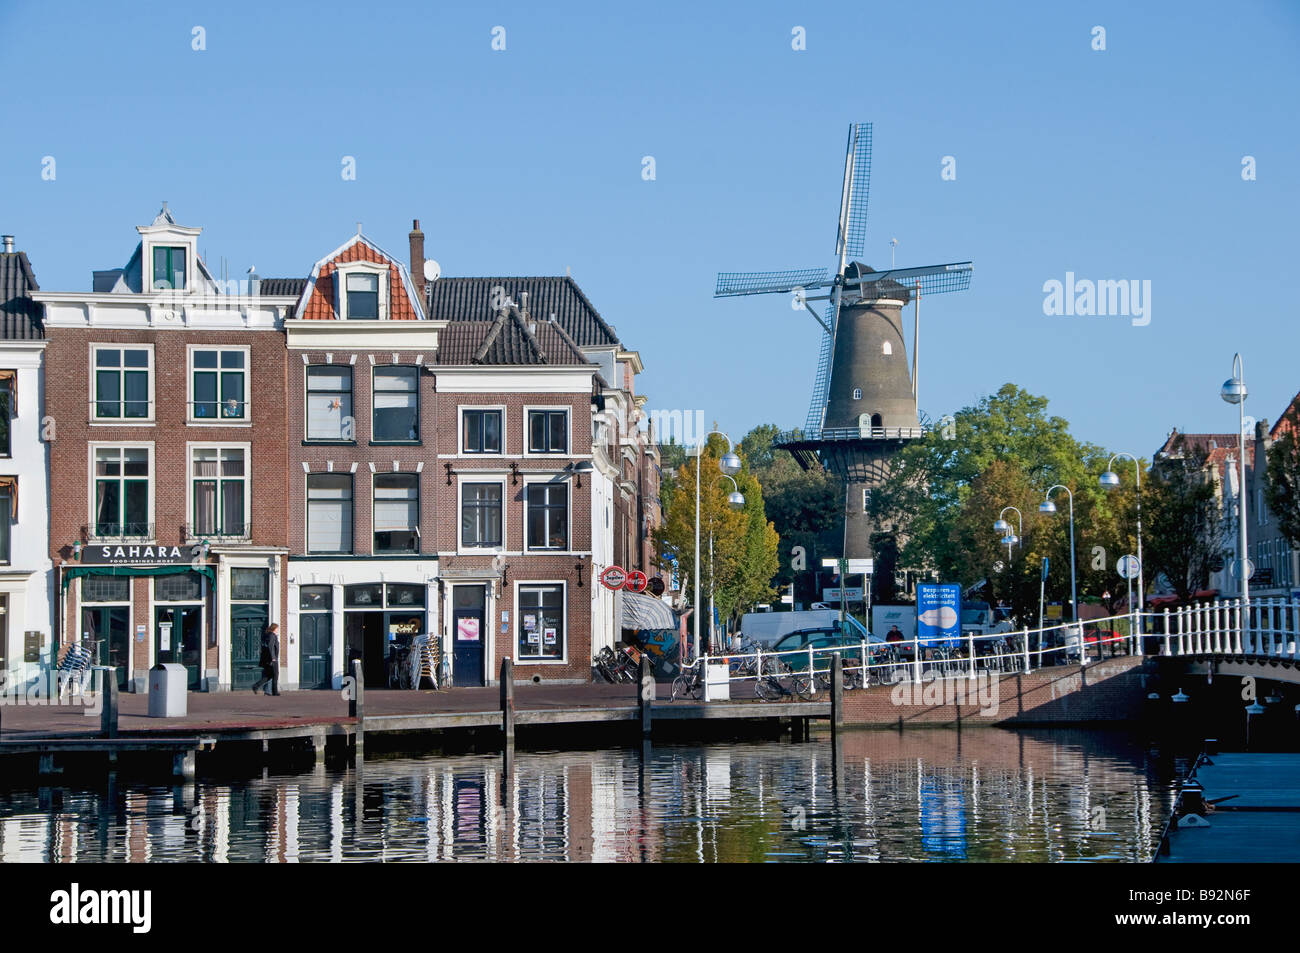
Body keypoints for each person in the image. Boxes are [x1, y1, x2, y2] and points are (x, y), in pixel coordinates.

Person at [252, 623, 281, 696]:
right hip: (273, 659)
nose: (278, 630)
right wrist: (273, 657)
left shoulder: (269, 635)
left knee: (270, 675)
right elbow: (270, 647)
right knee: (275, 675)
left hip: (269, 659)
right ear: (274, 628)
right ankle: (275, 692)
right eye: (277, 628)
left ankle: (256, 686)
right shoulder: (272, 636)